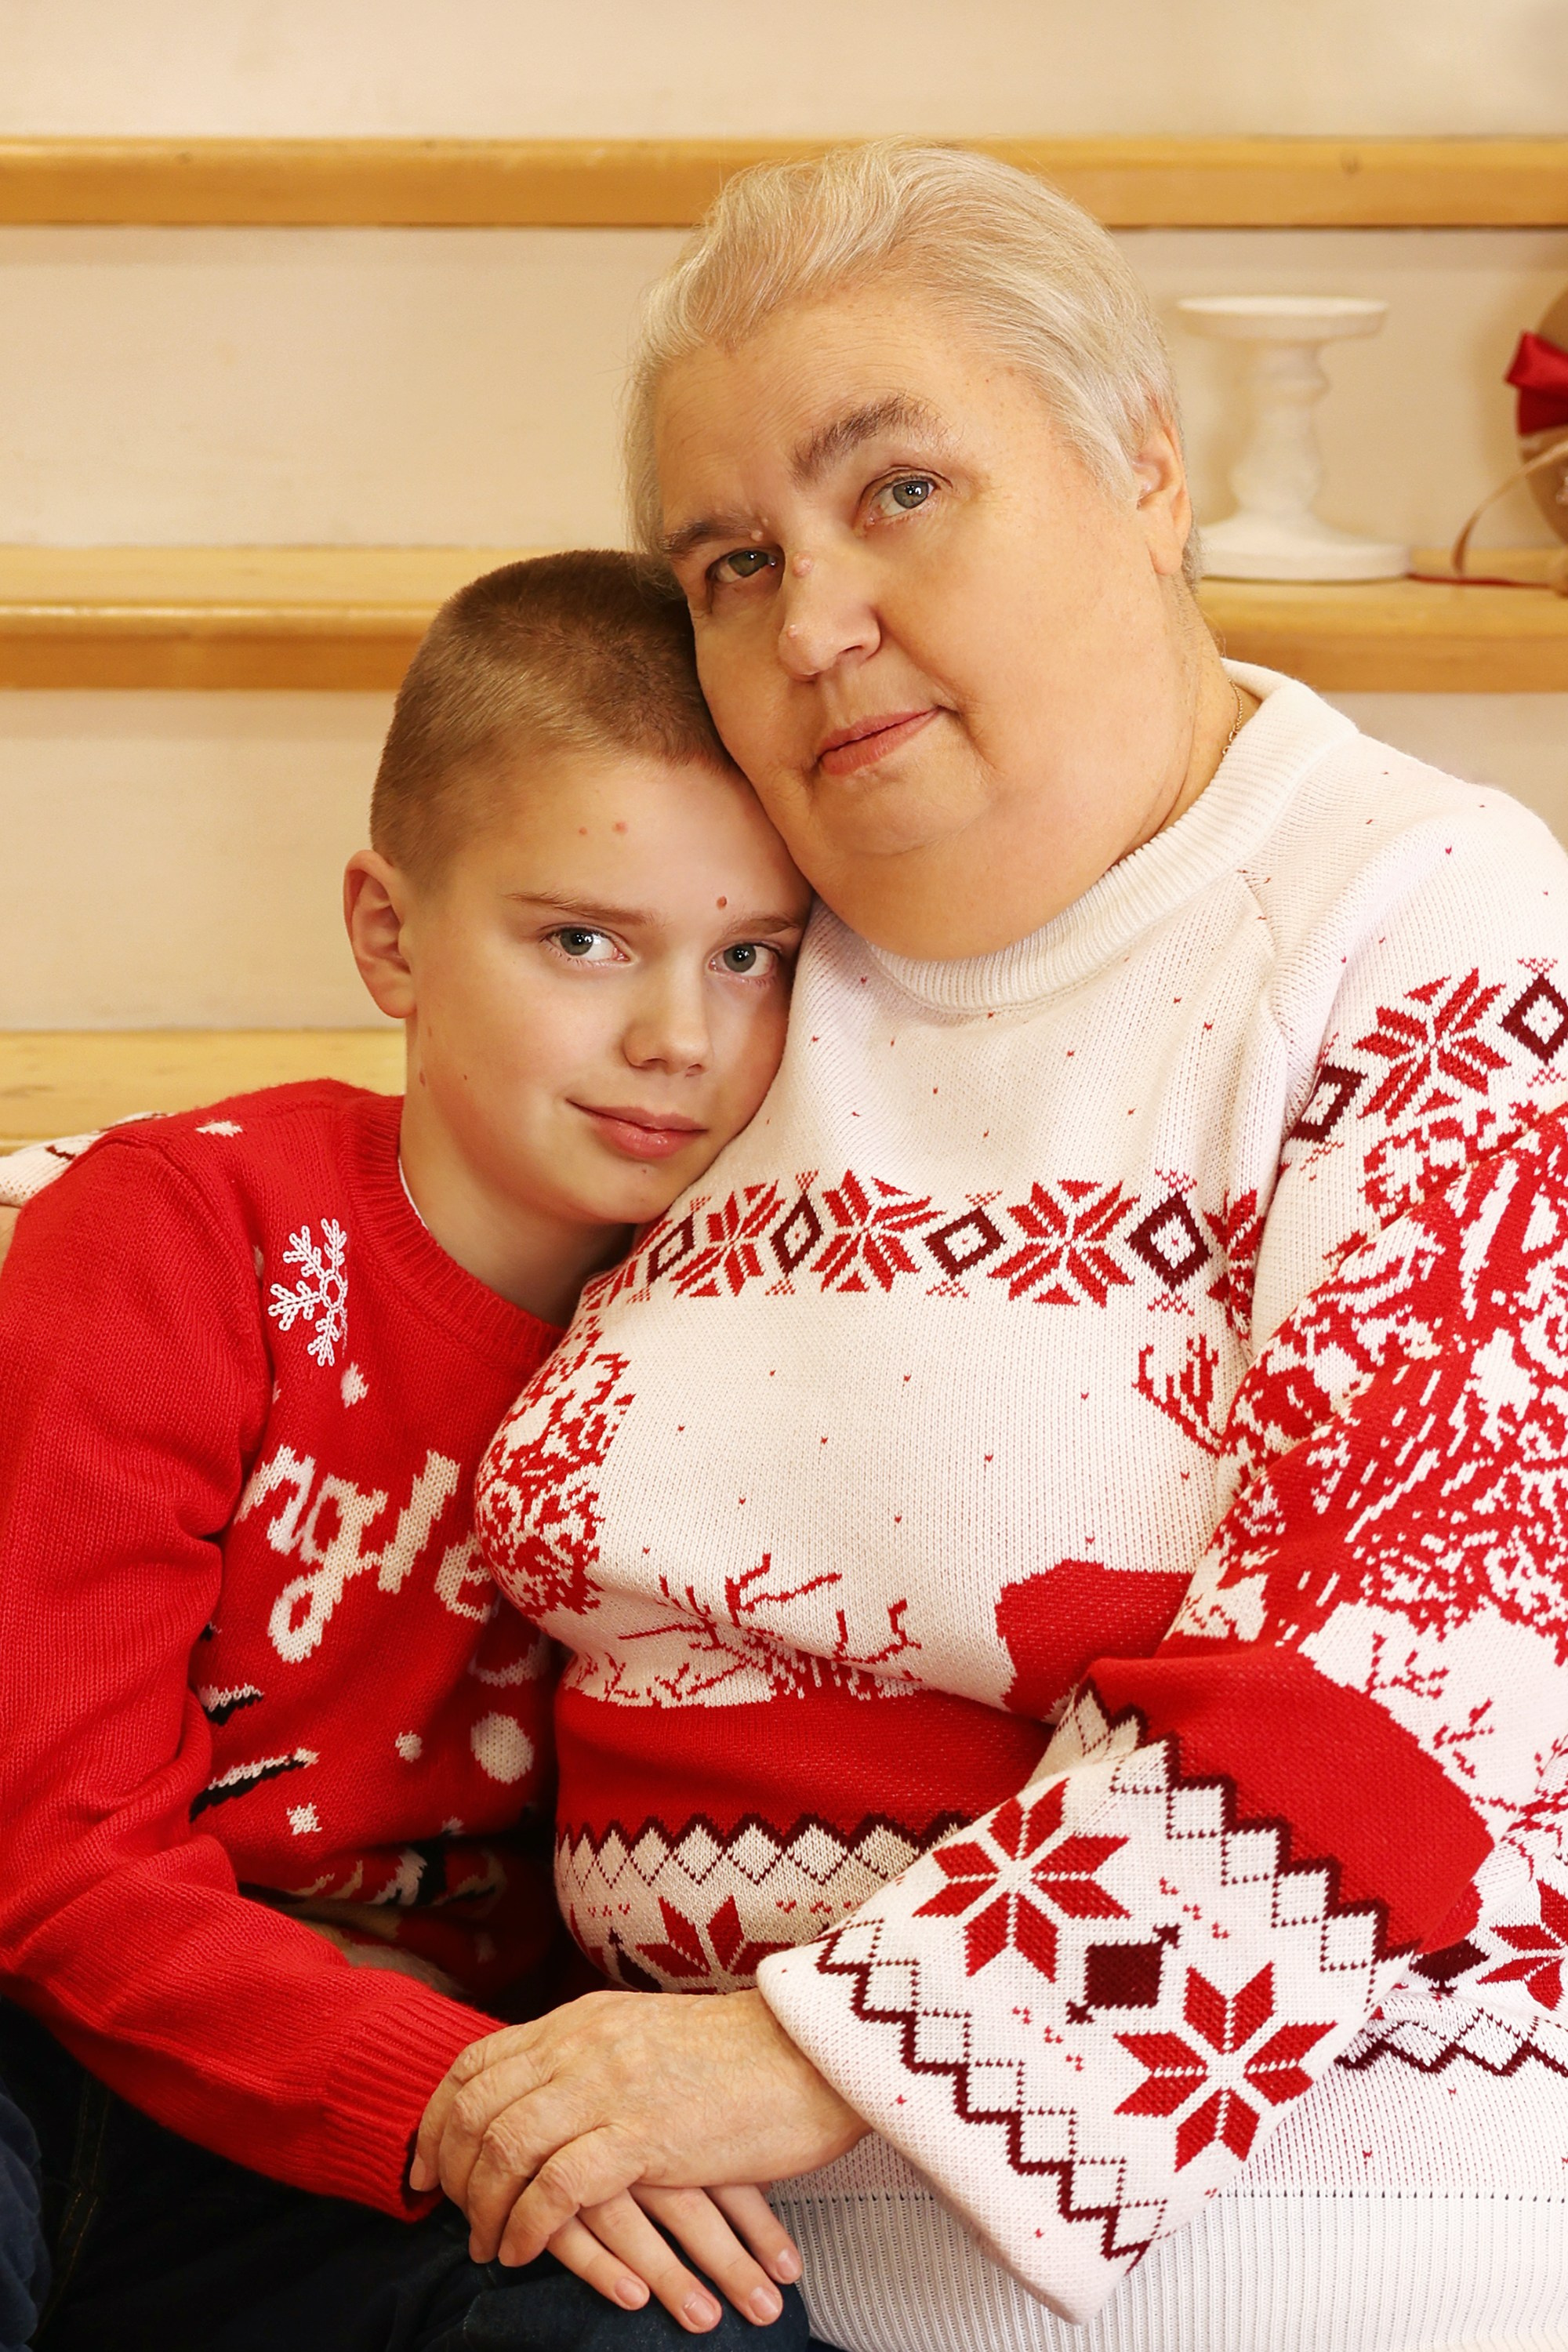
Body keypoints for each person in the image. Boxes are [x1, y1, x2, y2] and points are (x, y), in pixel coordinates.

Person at [418, 146, 1568, 2351]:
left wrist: (805, 2058)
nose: (815, 617)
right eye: (734, 563)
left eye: (902, 493)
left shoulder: (1419, 917)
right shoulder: (739, 966)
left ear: (1146, 467)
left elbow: (1417, 1661)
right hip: (654, 2258)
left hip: (1265, 2247)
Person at [0, 552, 815, 2350]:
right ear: (389, 935)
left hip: (355, 2152)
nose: (680, 1036)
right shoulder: (179, 1235)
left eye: (750, 954)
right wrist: (443, 2082)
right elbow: (49, 1860)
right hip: (45, 2043)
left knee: (698, 2320)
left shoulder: (752, 1331)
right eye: (582, 939)